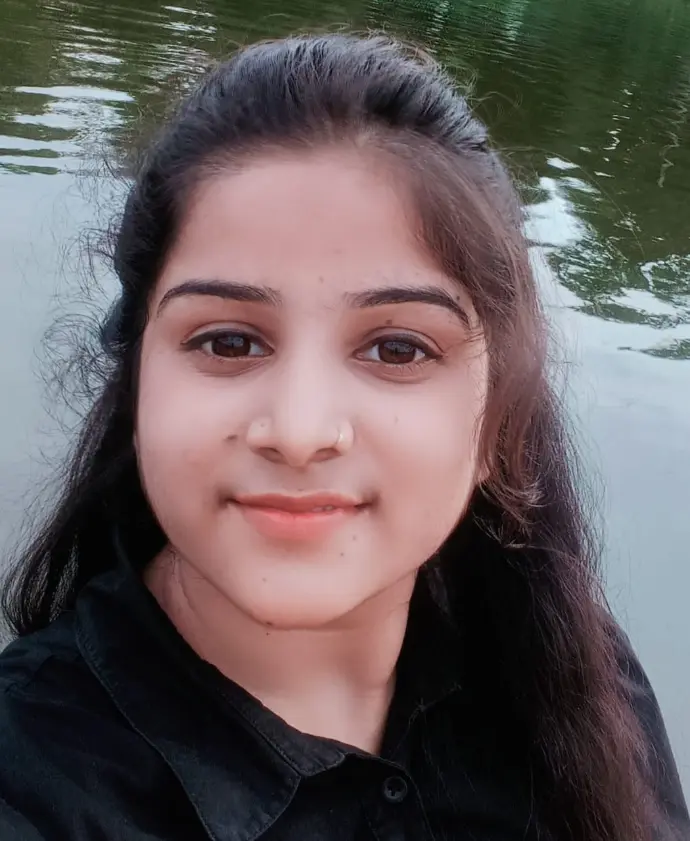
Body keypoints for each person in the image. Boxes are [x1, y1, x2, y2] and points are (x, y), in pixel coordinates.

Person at [0, 33, 687, 841]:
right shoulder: (31, 784)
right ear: (139, 383)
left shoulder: (576, 682)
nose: (299, 433)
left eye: (397, 349)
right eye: (229, 341)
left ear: (499, 418)